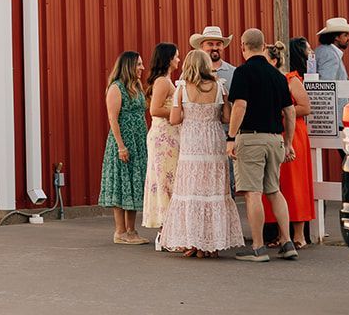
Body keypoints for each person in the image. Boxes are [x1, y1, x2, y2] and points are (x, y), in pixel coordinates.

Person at [158, 50, 244, 257]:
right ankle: (212, 243)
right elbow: (226, 117)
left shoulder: (182, 89)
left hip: (192, 142)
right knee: (213, 190)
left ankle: (194, 242)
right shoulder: (220, 87)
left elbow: (175, 119)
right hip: (213, 140)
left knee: (192, 190)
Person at [227, 28, 298, 262]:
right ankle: (287, 241)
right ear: (264, 45)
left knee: (253, 193)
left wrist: (231, 137)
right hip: (275, 139)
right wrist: (288, 142)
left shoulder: (243, 72)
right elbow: (289, 113)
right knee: (274, 191)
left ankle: (258, 247)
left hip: (251, 137)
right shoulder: (278, 75)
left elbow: (240, 106)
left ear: (243, 45)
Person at [264, 37, 315, 248]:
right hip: (274, 132)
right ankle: (279, 232)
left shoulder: (291, 79)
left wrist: (282, 113)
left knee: (295, 183)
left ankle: (299, 234)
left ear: (274, 61)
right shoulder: (266, 81)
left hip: (293, 134)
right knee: (275, 183)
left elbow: (305, 106)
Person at [100, 50, 150, 245]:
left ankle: (132, 230)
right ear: (129, 66)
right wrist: (121, 146)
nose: (142, 68)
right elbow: (113, 118)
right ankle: (120, 232)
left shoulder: (137, 86)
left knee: (134, 184)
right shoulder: (116, 88)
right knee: (122, 184)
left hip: (138, 142)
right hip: (123, 142)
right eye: (138, 64)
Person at [141, 42, 181, 245]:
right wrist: (180, 113)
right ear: (167, 59)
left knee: (170, 179)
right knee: (166, 180)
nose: (178, 60)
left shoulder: (166, 81)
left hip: (169, 136)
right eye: (176, 56)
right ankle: (164, 233)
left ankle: (168, 230)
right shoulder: (163, 83)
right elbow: (155, 110)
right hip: (164, 137)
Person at [190, 25, 237, 91]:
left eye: (218, 44)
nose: (215, 48)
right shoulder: (192, 72)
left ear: (223, 46)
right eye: (210, 44)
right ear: (201, 47)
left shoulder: (234, 72)